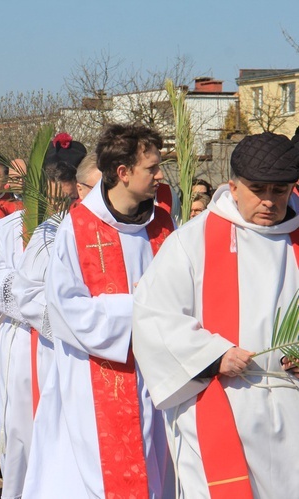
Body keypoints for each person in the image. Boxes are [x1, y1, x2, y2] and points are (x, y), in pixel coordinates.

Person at [133, 131, 299, 498]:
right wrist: (212, 356)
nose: (269, 201)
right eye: (258, 189)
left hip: (292, 404)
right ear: (233, 186)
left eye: (280, 190)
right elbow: (153, 317)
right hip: (221, 400)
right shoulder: (193, 241)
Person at [22, 124, 174, 498]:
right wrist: (138, 308)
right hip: (95, 379)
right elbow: (65, 308)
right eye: (151, 168)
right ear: (122, 173)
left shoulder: (164, 222)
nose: (159, 175)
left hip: (158, 376)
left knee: (157, 469)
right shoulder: (77, 228)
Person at [0, 140, 91, 499]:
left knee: (69, 432)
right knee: (20, 432)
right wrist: (35, 303)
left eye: (67, 181)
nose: (59, 190)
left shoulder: (86, 228)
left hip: (70, 343)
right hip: (23, 341)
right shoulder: (10, 225)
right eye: (52, 181)